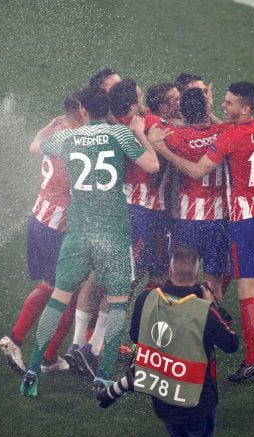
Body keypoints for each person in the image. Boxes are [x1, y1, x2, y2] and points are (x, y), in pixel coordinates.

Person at [20, 85, 159, 396]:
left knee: (58, 299)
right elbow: (153, 165)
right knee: (118, 302)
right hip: (113, 230)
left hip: (79, 230)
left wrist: (51, 122)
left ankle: (32, 368)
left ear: (82, 110)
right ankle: (104, 375)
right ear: (105, 107)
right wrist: (140, 133)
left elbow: (35, 146)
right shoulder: (120, 135)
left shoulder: (67, 138)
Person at [149, 81, 254, 383]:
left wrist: (162, 148)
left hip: (239, 220)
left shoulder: (226, 136)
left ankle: (251, 359)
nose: (223, 107)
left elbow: (197, 169)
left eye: (229, 103)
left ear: (245, 107)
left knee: (246, 290)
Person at [97, 246, 238, 437]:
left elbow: (138, 336)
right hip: (197, 399)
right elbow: (231, 342)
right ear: (197, 273)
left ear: (170, 271)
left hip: (161, 394)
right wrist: (212, 304)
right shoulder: (201, 309)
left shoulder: (146, 298)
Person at [0, 93, 84, 375]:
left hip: (39, 218)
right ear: (82, 111)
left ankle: (47, 354)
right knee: (63, 290)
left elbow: (33, 146)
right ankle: (18, 340)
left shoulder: (58, 131)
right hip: (55, 226)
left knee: (58, 286)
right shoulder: (77, 141)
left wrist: (49, 125)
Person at [162, 87, 230, 300]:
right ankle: (210, 326)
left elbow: (154, 131)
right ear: (206, 108)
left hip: (186, 218)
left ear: (183, 111)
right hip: (216, 218)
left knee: (181, 278)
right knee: (213, 281)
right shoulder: (223, 133)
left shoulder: (176, 136)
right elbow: (233, 129)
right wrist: (209, 111)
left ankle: (182, 325)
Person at [110, 79, 172, 291]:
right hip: (139, 208)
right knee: (136, 276)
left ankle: (91, 324)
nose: (142, 97)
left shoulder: (107, 125)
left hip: (110, 205)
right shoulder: (146, 123)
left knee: (109, 277)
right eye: (139, 96)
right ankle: (141, 319)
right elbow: (154, 164)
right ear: (132, 106)